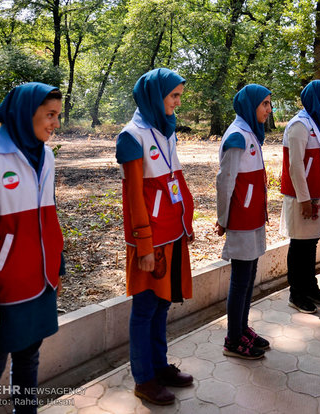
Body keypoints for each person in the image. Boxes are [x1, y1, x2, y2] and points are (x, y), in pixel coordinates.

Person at [0, 83, 64, 413]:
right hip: (2, 290)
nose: (55, 124)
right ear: (26, 114)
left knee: (29, 360)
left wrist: (59, 265)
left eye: (58, 115)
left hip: (40, 281)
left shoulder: (48, 155)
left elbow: (50, 215)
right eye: (49, 115)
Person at [116, 68, 195, 406]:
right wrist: (144, 245)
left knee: (163, 303)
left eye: (179, 95)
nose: (177, 103)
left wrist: (185, 224)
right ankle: (143, 378)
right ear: (154, 95)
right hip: (150, 240)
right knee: (146, 307)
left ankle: (160, 366)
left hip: (171, 232)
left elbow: (175, 179)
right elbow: (134, 197)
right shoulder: (131, 136)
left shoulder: (166, 129)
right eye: (173, 96)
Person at [216, 84, 272, 360]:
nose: (268, 110)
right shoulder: (237, 136)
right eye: (264, 104)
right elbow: (225, 182)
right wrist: (222, 219)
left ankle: (241, 327)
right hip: (240, 218)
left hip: (252, 217)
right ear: (250, 106)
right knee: (240, 279)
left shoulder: (251, 133)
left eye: (269, 104)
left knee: (249, 275)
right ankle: (233, 339)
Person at [280, 80, 320, 314]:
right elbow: (295, 167)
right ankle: (296, 292)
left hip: (317, 194)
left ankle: (310, 285)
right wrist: (304, 200)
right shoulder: (299, 126)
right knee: (299, 244)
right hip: (303, 198)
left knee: (311, 241)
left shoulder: (317, 123)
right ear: (317, 98)